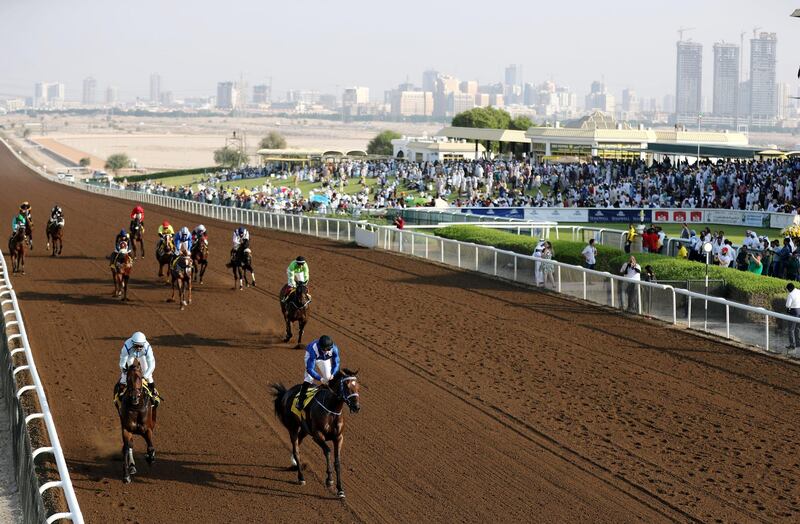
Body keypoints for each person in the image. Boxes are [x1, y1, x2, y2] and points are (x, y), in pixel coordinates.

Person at [295, 335, 340, 412]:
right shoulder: (313, 350)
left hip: (323, 359)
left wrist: (333, 373)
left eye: (329, 349)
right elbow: (310, 369)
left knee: (328, 377)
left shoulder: (334, 349)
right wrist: (320, 378)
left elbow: (336, 363)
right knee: (309, 378)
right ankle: (300, 400)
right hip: (311, 357)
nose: (327, 351)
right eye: (325, 349)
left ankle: (326, 395)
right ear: (320, 347)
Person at [117, 332, 159, 406]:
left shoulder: (147, 347)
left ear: (144, 344)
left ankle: (153, 393)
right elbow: (122, 363)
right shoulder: (127, 346)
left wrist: (144, 376)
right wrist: (125, 372)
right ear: (133, 343)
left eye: (141, 346)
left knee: (148, 373)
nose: (139, 348)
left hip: (142, 356)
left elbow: (152, 365)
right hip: (130, 355)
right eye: (136, 346)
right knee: (126, 375)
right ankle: (120, 393)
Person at [785, 283, 800, 354]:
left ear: (789, 289)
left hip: (794, 312)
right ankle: (798, 344)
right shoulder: (799, 291)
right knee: (797, 328)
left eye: (787, 289)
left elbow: (787, 305)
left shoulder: (790, 294)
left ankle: (792, 345)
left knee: (791, 329)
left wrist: (788, 309)